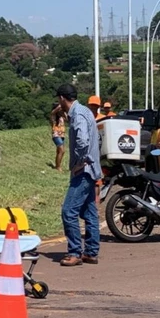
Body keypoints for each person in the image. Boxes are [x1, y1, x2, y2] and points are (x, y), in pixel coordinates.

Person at [57, 84, 102, 266]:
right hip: (92, 170)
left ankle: (74, 252)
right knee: (89, 211)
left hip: (83, 170)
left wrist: (79, 162)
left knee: (69, 211)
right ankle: (91, 252)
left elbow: (82, 141)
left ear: (62, 98)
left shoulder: (78, 115)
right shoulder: (84, 112)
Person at [49, 102, 67, 171]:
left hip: (62, 135)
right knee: (62, 150)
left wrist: (63, 112)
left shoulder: (61, 117)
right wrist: (60, 106)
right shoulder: (54, 116)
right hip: (56, 135)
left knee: (59, 151)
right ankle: (58, 167)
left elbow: (67, 119)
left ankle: (57, 165)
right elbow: (53, 112)